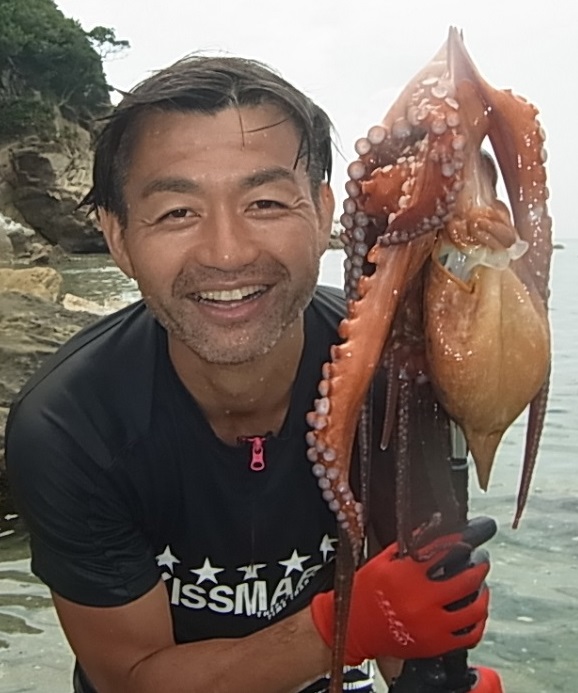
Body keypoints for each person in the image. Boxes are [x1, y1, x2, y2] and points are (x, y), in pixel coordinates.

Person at [5, 55, 492, 693]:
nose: (227, 253)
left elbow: (410, 608)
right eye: (177, 212)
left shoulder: (393, 372)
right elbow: (129, 678)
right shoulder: (71, 428)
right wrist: (342, 626)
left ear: (322, 214)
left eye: (264, 202)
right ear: (118, 238)